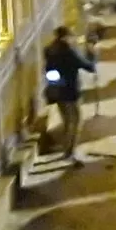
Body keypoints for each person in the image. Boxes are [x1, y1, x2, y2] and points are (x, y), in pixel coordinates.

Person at [40, 24, 94, 156]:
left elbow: (50, 72)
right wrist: (91, 53)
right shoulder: (69, 53)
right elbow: (89, 67)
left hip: (57, 92)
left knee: (66, 121)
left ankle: (67, 148)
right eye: (71, 37)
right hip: (71, 92)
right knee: (75, 121)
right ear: (66, 37)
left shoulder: (49, 51)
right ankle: (69, 151)